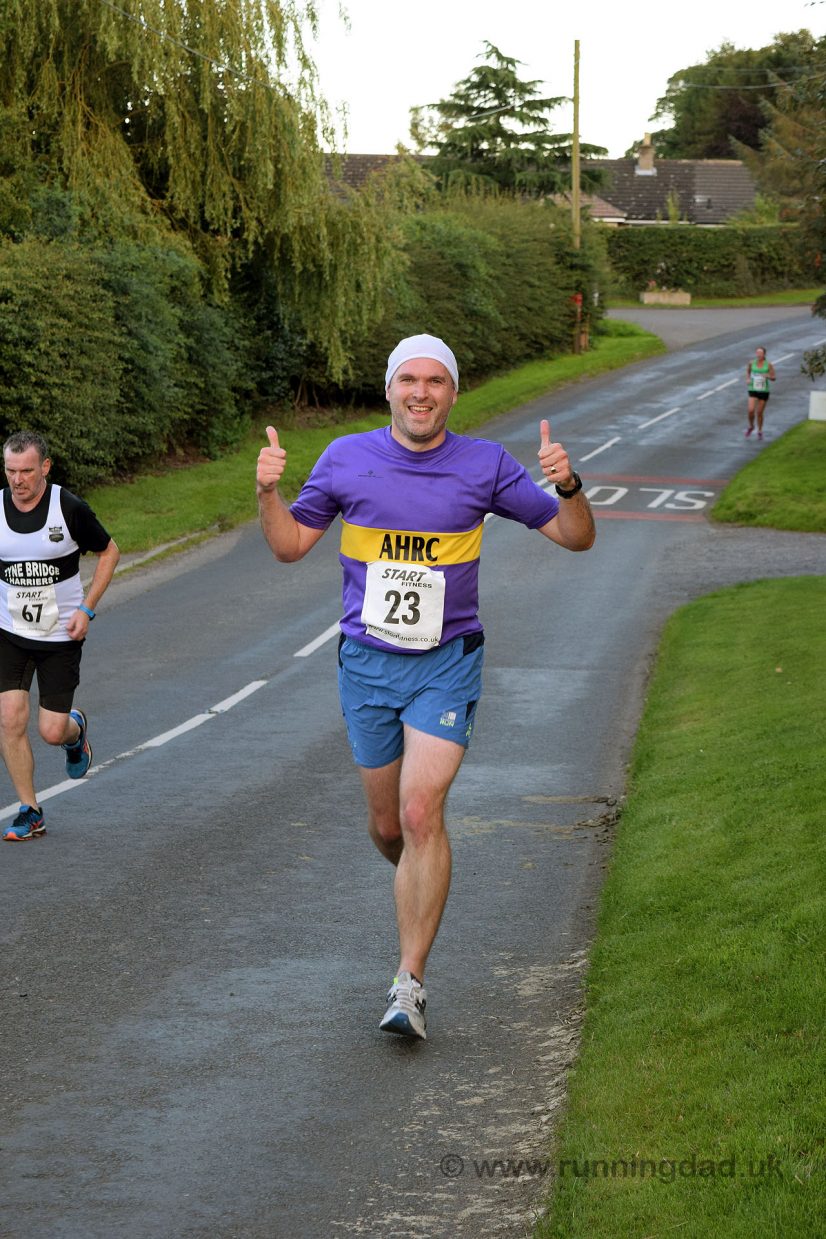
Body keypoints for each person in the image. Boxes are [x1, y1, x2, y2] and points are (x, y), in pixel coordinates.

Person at [256, 334, 595, 1040]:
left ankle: (408, 983)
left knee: (418, 812)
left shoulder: (484, 464)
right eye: (408, 379)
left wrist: (568, 485)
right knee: (390, 828)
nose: (420, 392)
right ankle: (423, 873)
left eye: (435, 381)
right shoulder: (346, 457)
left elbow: (575, 537)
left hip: (446, 659)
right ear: (388, 389)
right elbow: (289, 544)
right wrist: (267, 493)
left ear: (453, 392)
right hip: (368, 665)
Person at [1, 431, 120, 841]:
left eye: (27, 471)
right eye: (11, 470)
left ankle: (75, 732)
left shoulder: (66, 507)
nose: (18, 480)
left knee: (51, 731)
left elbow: (110, 551)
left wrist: (87, 609)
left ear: (45, 468)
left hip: (60, 636)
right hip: (10, 634)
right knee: (9, 719)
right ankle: (30, 810)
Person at [745, 346, 776, 439]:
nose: (758, 355)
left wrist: (767, 376)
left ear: (764, 354)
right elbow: (748, 372)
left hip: (763, 390)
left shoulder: (768, 364)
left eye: (760, 353)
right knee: (750, 410)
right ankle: (751, 426)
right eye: (757, 353)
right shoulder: (751, 363)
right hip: (753, 388)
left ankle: (760, 430)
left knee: (759, 412)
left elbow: (774, 377)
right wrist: (748, 379)